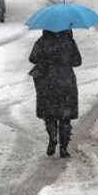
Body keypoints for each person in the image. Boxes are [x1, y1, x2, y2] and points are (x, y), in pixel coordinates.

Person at [29, 28, 82, 158]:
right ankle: (64, 149)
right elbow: (77, 61)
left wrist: (47, 59)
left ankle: (52, 137)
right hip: (66, 82)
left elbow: (32, 58)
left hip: (47, 82)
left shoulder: (41, 42)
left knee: (50, 114)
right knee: (65, 116)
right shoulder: (69, 42)